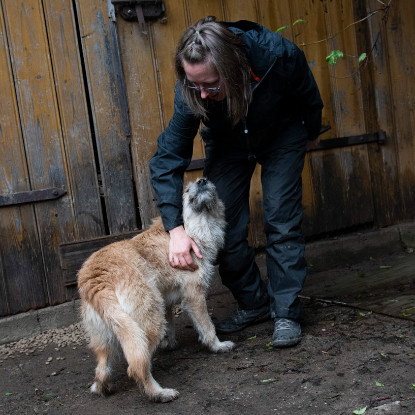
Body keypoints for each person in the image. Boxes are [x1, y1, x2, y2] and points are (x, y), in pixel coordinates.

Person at [149, 16, 323, 347]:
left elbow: (308, 94)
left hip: (282, 135)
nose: (202, 93)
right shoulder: (192, 91)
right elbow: (167, 158)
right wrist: (175, 230)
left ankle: (286, 313)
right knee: (220, 225)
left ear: (233, 69)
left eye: (210, 85)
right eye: (194, 85)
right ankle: (254, 302)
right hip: (228, 141)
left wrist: (311, 131)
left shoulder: (278, 55)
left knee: (281, 220)